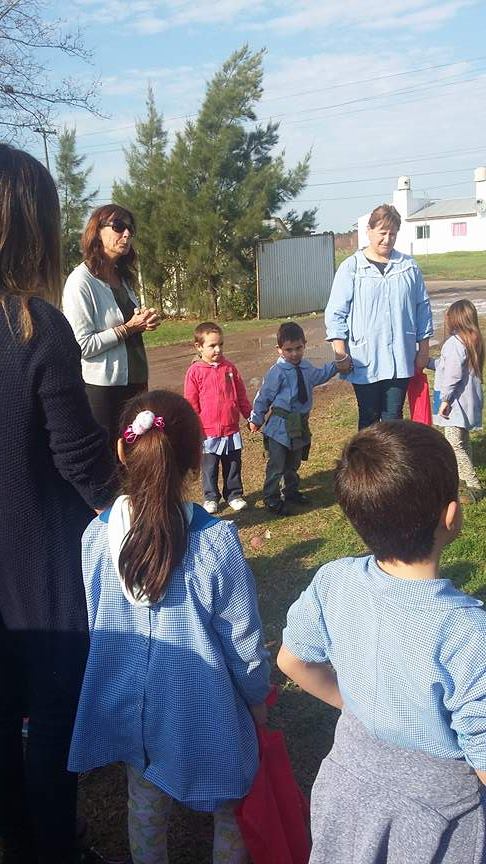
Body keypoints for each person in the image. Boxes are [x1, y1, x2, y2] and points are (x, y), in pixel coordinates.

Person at [68, 389, 270, 864]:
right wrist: (257, 701)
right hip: (204, 704)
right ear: (195, 458)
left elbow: (96, 619)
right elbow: (243, 641)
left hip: (129, 706)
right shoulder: (215, 542)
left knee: (144, 801)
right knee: (231, 800)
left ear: (122, 449)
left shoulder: (95, 537)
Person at [278, 420, 486, 864]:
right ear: (451, 515)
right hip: (439, 823)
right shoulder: (468, 633)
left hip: (346, 788)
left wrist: (353, 702)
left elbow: (292, 661)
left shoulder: (334, 581)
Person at [0, 144, 117, 864]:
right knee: (48, 722)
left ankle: (20, 840)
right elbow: (81, 461)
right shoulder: (35, 327)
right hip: (40, 571)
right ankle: (51, 848)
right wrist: (141, 510)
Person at [325, 203, 433, 429]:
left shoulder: (408, 267)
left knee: (393, 418)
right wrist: (340, 352)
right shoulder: (352, 267)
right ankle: (365, 465)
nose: (387, 239)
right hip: (365, 358)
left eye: (392, 234)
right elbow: (336, 312)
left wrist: (423, 350)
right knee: (369, 418)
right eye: (382, 233)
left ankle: (391, 465)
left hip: (399, 359)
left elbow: (422, 309)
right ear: (369, 231)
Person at [63, 204, 160, 450]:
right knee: (109, 461)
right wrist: (128, 328)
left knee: (136, 455)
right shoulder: (80, 282)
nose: (126, 234)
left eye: (130, 228)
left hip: (136, 383)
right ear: (97, 231)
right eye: (118, 226)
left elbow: (130, 323)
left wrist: (144, 321)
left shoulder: (123, 277)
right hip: (104, 391)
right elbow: (82, 345)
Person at [249, 321, 351, 516]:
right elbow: (264, 396)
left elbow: (320, 375)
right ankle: (271, 498)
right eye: (289, 350)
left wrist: (337, 366)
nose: (294, 353)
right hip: (280, 427)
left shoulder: (306, 367)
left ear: (304, 344)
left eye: (298, 348)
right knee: (277, 464)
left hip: (299, 425)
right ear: (279, 349)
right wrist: (256, 418)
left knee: (293, 462)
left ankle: (291, 491)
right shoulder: (276, 372)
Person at [184, 322, 252, 513]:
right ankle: (211, 497)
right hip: (208, 432)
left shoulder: (230, 368)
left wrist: (250, 416)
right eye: (212, 345)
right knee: (209, 467)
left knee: (232, 465)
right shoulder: (195, 372)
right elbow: (191, 403)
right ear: (199, 347)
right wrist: (193, 428)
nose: (218, 349)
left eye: (220, 344)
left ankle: (234, 494)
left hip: (230, 429)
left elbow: (241, 396)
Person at [428, 299, 484, 502]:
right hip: (467, 403)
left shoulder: (454, 343)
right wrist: (426, 362)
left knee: (454, 444)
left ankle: (473, 485)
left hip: (454, 405)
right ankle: (462, 477)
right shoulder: (472, 341)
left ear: (456, 319)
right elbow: (447, 366)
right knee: (463, 441)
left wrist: (445, 400)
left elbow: (451, 375)